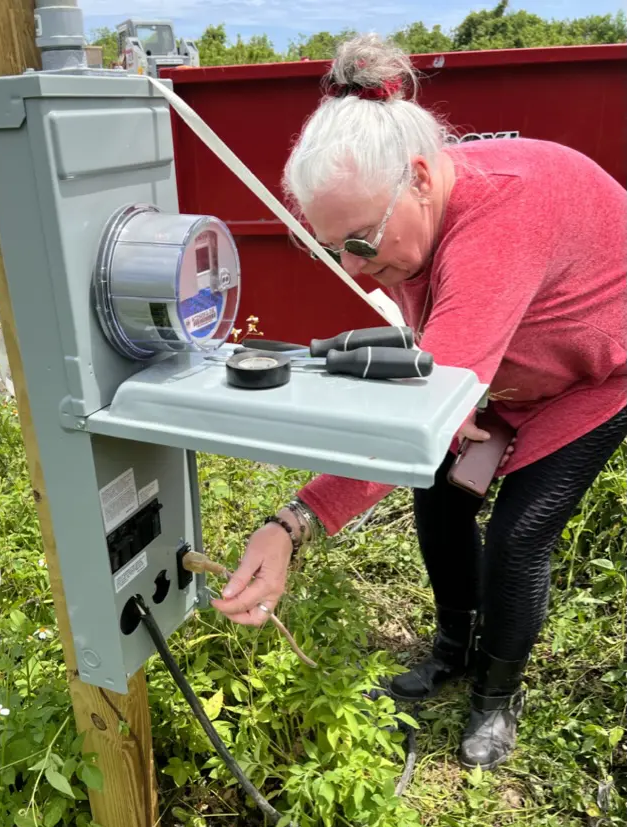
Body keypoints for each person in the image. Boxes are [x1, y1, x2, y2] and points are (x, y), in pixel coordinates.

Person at [211, 34, 627, 770]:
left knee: (519, 535)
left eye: (360, 243)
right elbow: (436, 379)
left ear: (423, 179)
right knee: (436, 495)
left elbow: (416, 420)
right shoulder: (406, 227)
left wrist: (292, 522)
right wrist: (456, 403)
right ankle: (452, 649)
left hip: (593, 377)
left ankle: (496, 693)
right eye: (332, 248)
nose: (353, 267)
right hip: (502, 362)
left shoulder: (501, 217)